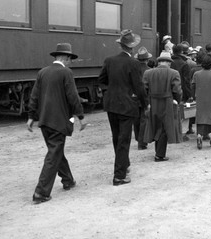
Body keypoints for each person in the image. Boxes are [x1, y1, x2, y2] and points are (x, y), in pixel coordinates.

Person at [27, 43, 86, 203]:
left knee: (56, 151)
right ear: (65, 58)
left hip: (44, 121)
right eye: (70, 59)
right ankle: (41, 192)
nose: (71, 62)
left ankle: (68, 180)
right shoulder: (66, 72)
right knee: (53, 155)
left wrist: (31, 116)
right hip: (59, 122)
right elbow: (72, 96)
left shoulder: (42, 72)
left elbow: (34, 96)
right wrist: (81, 116)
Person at [98, 30, 147, 186]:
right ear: (132, 48)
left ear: (121, 45)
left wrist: (111, 92)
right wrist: (145, 103)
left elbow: (101, 80)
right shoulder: (134, 63)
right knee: (124, 140)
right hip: (127, 106)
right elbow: (139, 87)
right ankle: (119, 176)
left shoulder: (109, 60)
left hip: (111, 105)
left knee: (116, 138)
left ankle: (124, 167)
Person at [143, 52, 182, 161]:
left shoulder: (148, 73)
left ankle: (158, 152)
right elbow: (177, 91)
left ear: (159, 62)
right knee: (164, 127)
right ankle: (159, 155)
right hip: (167, 102)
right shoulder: (174, 73)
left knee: (155, 126)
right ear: (169, 62)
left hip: (153, 101)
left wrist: (147, 103)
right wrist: (177, 101)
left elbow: (144, 89)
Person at [133, 47, 153, 150]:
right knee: (144, 120)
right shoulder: (150, 71)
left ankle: (138, 138)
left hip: (134, 98)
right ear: (147, 60)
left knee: (136, 120)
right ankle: (142, 142)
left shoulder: (133, 69)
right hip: (146, 98)